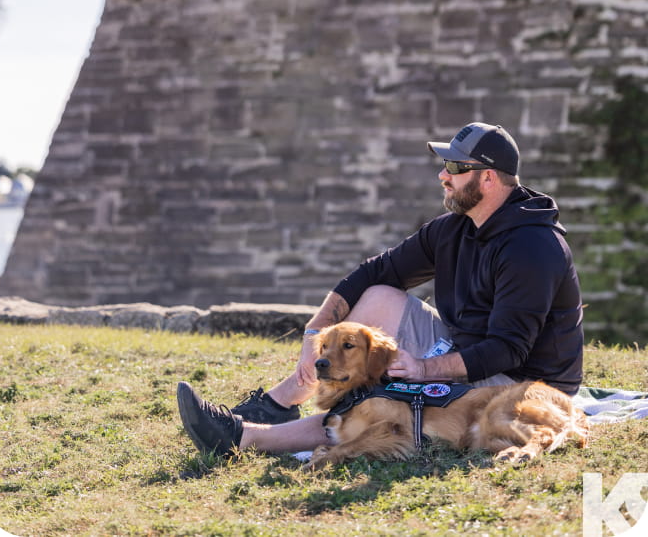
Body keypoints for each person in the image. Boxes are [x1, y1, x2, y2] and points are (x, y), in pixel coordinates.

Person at [177, 122, 584, 458]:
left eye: (454, 168)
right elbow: (375, 272)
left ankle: (243, 437)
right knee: (377, 297)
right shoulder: (453, 229)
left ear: (488, 178)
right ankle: (282, 402)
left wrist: (424, 369)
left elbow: (507, 349)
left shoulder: (534, 248)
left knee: (381, 402)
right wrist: (315, 333)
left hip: (521, 381)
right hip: (464, 350)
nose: (442, 175)